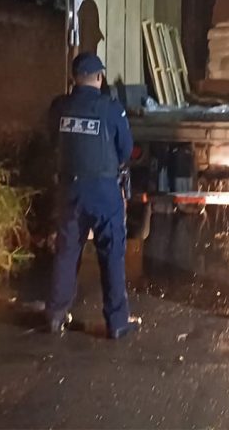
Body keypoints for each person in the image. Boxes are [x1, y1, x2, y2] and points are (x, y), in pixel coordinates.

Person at [46, 52, 140, 339]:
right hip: (103, 191)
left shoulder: (59, 107)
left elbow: (53, 141)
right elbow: (125, 150)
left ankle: (55, 316)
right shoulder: (111, 109)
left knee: (66, 252)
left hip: (70, 190)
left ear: (74, 78)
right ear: (99, 77)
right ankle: (117, 323)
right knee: (111, 253)